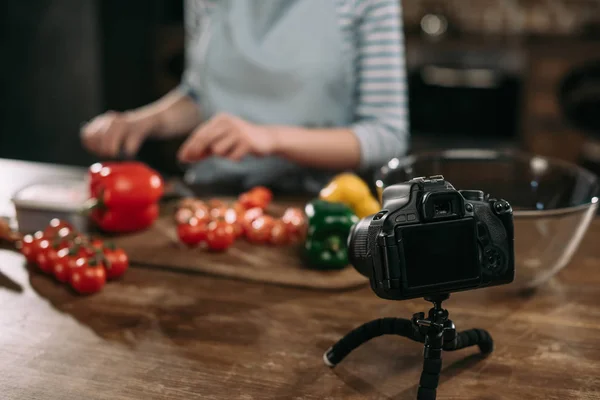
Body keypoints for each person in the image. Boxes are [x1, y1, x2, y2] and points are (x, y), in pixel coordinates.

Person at [81, 0, 409, 193]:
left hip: (317, 204)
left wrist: (269, 137)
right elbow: (203, 94)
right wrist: (143, 121)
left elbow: (386, 133)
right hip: (213, 197)